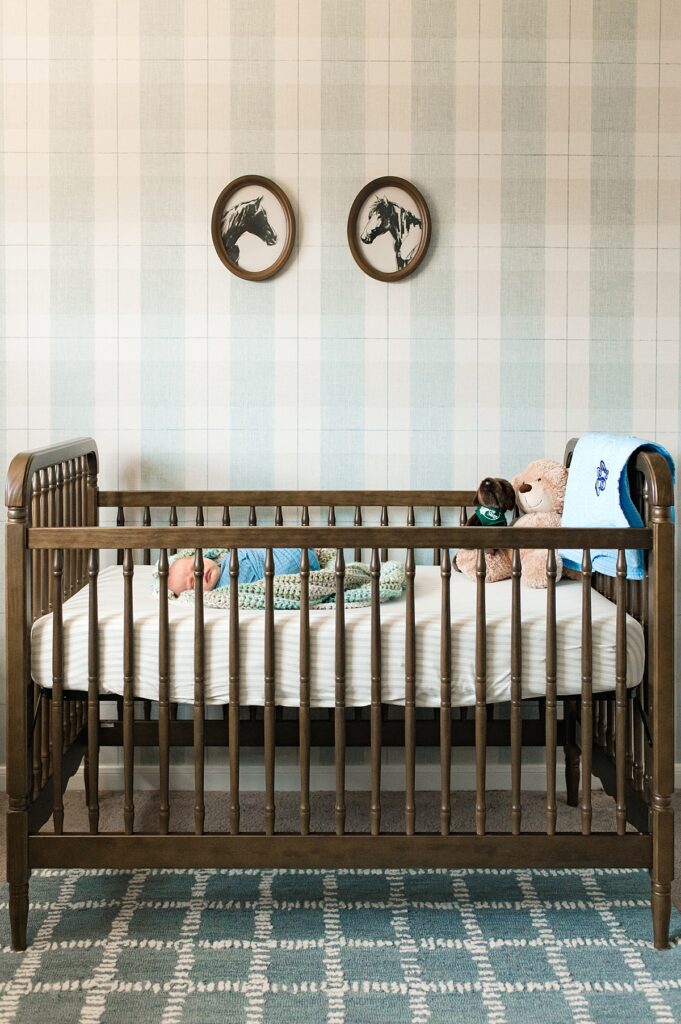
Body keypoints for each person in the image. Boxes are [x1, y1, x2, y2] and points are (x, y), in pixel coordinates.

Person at [167, 548, 320, 597]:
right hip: (295, 563)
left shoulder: (223, 560)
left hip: (291, 551)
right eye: (193, 583)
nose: (199, 574)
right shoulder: (225, 588)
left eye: (195, 566)